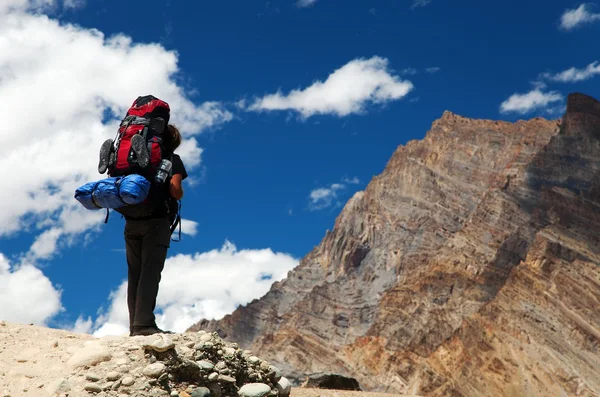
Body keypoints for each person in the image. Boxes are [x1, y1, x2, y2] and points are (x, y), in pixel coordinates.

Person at [124, 124, 187, 336]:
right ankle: (144, 326)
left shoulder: (137, 160)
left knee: (135, 273)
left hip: (131, 219)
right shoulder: (173, 160)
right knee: (150, 273)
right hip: (157, 222)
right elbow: (175, 191)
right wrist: (179, 193)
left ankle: (135, 326)